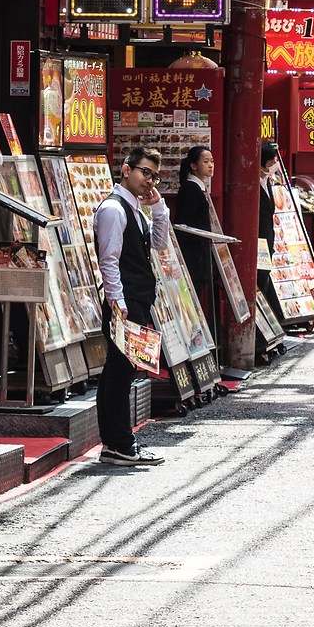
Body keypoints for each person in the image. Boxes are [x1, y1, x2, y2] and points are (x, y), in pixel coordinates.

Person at [94, 145, 174, 466]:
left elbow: (160, 243)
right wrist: (117, 300)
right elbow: (109, 259)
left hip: (136, 300)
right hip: (124, 303)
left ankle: (116, 444)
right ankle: (120, 445)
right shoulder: (114, 209)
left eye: (154, 176)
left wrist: (159, 207)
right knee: (119, 374)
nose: (149, 180)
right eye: (145, 172)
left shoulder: (136, 209)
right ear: (126, 169)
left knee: (119, 372)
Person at [172, 145, 220, 342]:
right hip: (192, 255)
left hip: (198, 252)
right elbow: (184, 225)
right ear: (193, 165)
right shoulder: (190, 189)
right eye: (206, 162)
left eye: (212, 161)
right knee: (192, 298)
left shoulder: (198, 188)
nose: (211, 166)